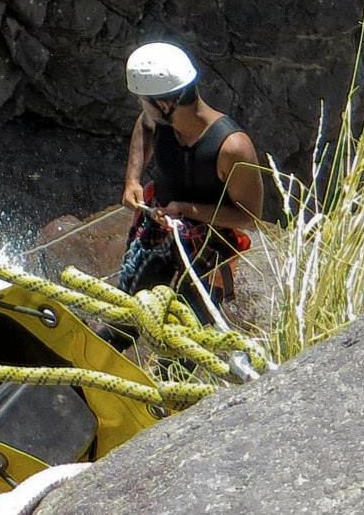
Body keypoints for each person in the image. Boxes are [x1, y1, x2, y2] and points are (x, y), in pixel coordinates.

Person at [102, 41, 263, 350]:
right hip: (161, 228)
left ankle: (171, 376)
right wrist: (132, 179)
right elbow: (144, 125)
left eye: (143, 101)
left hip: (209, 245)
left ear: (164, 103)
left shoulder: (232, 148)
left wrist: (186, 209)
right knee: (127, 315)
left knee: (185, 342)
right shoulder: (162, 118)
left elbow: (248, 216)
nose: (141, 107)